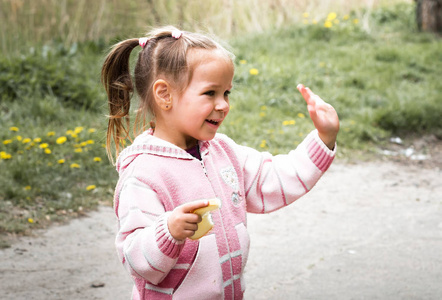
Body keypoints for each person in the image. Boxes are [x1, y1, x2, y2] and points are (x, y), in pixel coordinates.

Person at [101, 26, 339, 299]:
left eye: (226, 93)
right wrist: (169, 231)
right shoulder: (144, 173)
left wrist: (324, 138)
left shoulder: (224, 152)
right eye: (210, 93)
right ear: (164, 95)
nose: (223, 104)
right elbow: (137, 260)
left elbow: (274, 179)